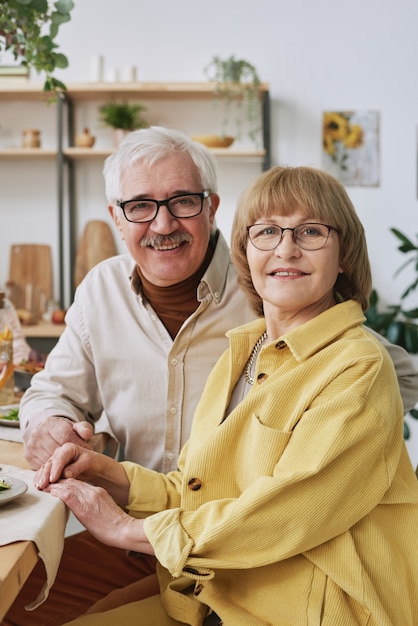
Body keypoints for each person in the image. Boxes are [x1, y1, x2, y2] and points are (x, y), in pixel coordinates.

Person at [7, 130, 417, 624]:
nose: (162, 223)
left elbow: (287, 509)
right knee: (22, 606)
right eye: (139, 205)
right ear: (116, 218)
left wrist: (340, 422)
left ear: (211, 208)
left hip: (282, 579)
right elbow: (199, 485)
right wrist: (100, 467)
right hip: (184, 547)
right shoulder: (245, 346)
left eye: (181, 201)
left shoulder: (331, 341)